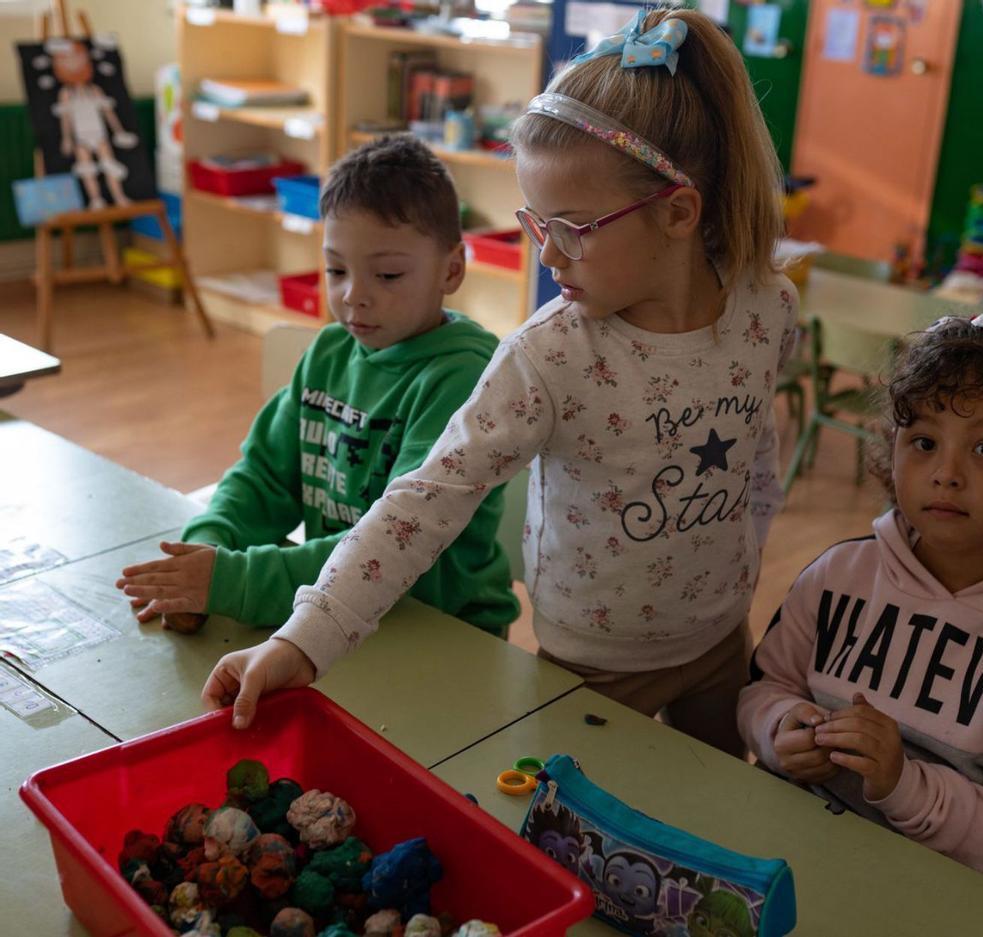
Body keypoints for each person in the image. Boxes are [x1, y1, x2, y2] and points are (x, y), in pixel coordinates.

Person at [200, 9, 797, 756]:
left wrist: (749, 558)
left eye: (573, 228)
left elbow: (757, 450)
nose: (550, 259)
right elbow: (423, 500)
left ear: (677, 212)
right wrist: (304, 640)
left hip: (719, 641)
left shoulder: (766, 306)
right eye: (535, 225)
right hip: (591, 667)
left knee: (717, 821)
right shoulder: (550, 354)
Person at [738, 313, 983, 905]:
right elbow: (764, 689)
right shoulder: (837, 577)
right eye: (924, 443)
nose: (947, 475)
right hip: (797, 876)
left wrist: (904, 784)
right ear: (892, 451)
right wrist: (778, 730)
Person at [116, 135, 518, 639]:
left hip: (441, 633)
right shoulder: (329, 353)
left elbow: (392, 549)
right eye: (335, 269)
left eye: (388, 274)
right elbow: (262, 480)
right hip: (337, 614)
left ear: (452, 270)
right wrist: (207, 548)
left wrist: (232, 582)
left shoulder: (462, 381)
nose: (354, 295)